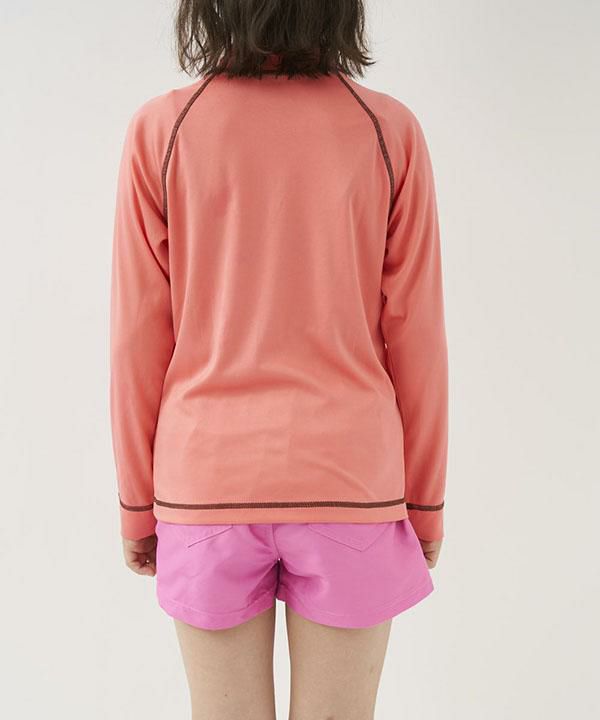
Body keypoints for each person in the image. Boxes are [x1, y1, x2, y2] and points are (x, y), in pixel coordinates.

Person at [109, 1, 448, 717]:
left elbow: (138, 339)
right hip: (351, 485)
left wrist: (139, 505)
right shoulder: (388, 131)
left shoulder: (163, 130)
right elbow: (417, 339)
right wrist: (424, 505)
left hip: (206, 487)